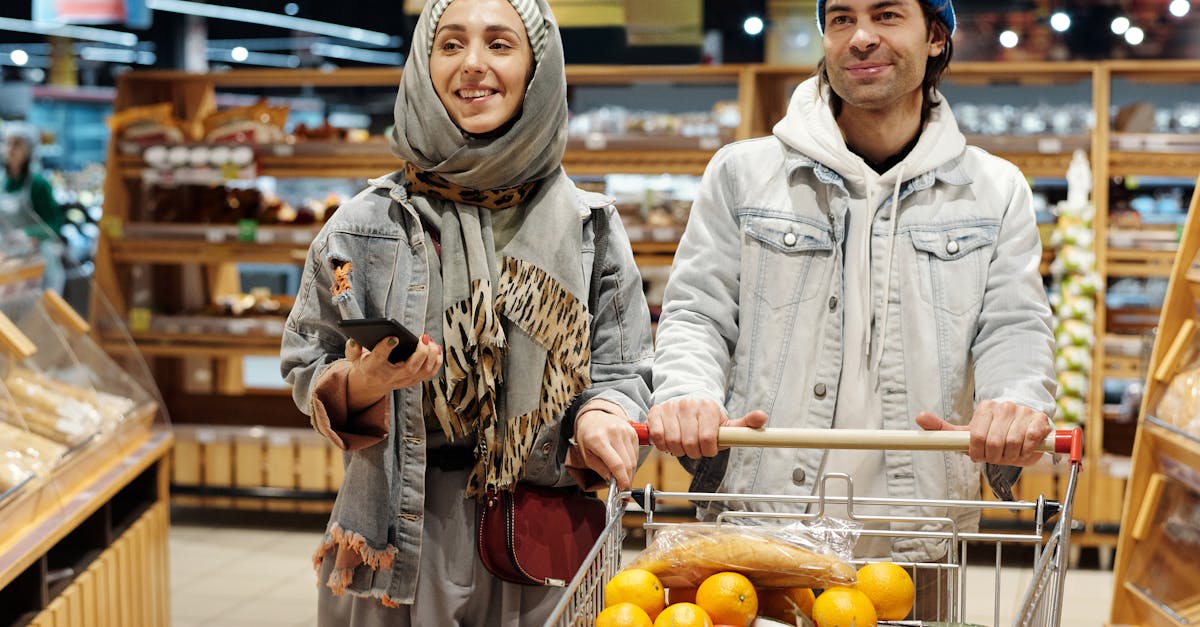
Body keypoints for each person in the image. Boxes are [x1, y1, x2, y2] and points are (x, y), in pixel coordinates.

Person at [647, 0, 1055, 617]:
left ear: (936, 37)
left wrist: (1017, 402)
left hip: (915, 536)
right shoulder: (744, 175)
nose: (862, 37)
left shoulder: (994, 192)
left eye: (887, 15)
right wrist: (685, 390)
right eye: (842, 19)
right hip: (763, 533)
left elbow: (1015, 326)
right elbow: (697, 313)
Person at [280, 0, 652, 624]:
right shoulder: (367, 224)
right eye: (450, 44)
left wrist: (602, 413)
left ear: (538, 67)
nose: (473, 64)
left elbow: (623, 366)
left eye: (499, 44)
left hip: (540, 528)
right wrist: (363, 383)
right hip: (398, 529)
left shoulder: (590, 227)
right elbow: (305, 363)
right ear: (424, 65)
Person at [1, 122, 65, 293]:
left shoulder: (39, 184)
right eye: (7, 143)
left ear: (29, 149)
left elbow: (53, 227)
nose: (10, 149)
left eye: (17, 144)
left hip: (39, 264)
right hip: (10, 263)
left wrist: (28, 234)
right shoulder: (2, 182)